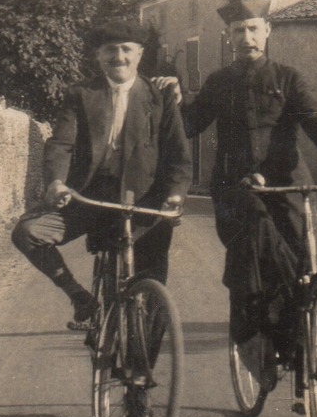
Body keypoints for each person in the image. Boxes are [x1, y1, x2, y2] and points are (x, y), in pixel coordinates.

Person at [154, 0, 317, 388]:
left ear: (267, 31)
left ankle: (302, 353)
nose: (246, 38)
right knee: (258, 261)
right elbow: (190, 126)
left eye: (253, 29)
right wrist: (172, 101)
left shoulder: (288, 79)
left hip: (288, 188)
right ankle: (256, 345)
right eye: (238, 32)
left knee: (304, 268)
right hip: (236, 193)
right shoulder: (218, 83)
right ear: (228, 37)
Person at [12, 19, 192, 327]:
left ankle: (141, 368)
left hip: (145, 204)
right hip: (89, 200)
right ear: (98, 55)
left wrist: (175, 196)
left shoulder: (159, 96)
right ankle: (81, 298)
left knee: (151, 293)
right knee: (28, 233)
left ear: (139, 54)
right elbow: (61, 144)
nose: (118, 57)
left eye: (126, 50)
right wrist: (56, 182)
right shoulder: (81, 94)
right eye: (110, 50)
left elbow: (178, 156)